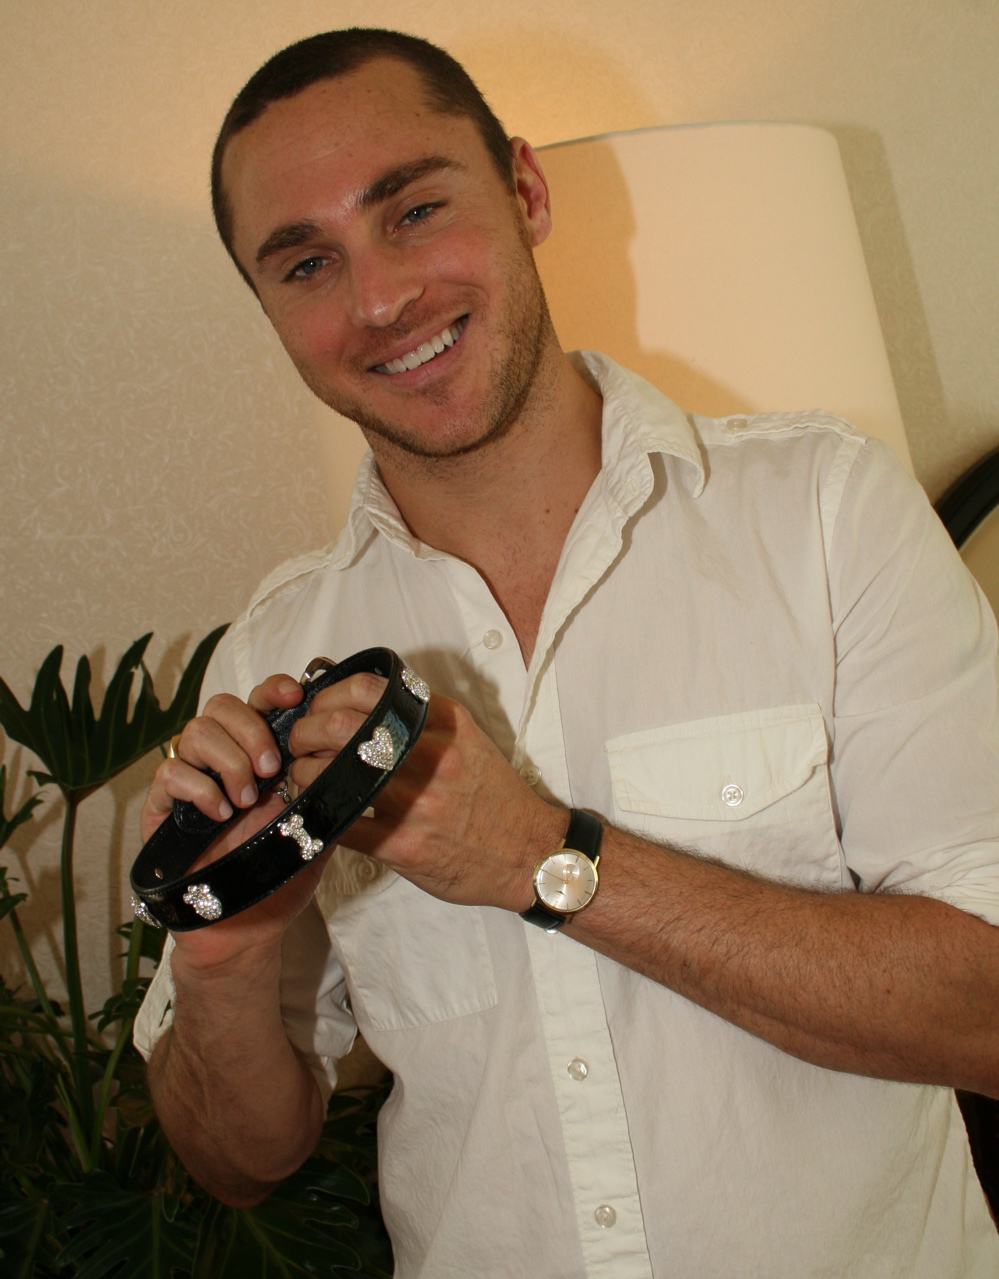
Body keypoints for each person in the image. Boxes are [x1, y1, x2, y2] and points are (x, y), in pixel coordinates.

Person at [134, 28, 999, 1278]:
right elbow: (239, 1162)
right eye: (308, 263)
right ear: (270, 311)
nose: (378, 300)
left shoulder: (828, 511)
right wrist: (222, 952)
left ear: (527, 192)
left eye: (415, 209)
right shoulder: (274, 649)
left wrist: (539, 855)